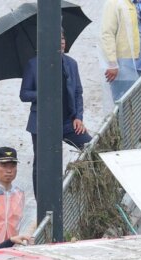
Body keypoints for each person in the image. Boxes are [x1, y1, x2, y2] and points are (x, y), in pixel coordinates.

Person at [21, 33, 92, 165]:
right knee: (42, 164)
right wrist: (42, 93)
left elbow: (78, 93)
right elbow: (24, 94)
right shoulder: (33, 64)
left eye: (63, 38)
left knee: (92, 149)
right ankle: (41, 186)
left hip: (67, 123)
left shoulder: (71, 64)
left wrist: (78, 118)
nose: (62, 42)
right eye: (57, 38)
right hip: (42, 124)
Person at [101, 0, 141, 102]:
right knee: (125, 103)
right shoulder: (114, 3)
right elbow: (107, 34)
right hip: (125, 66)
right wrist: (112, 63)